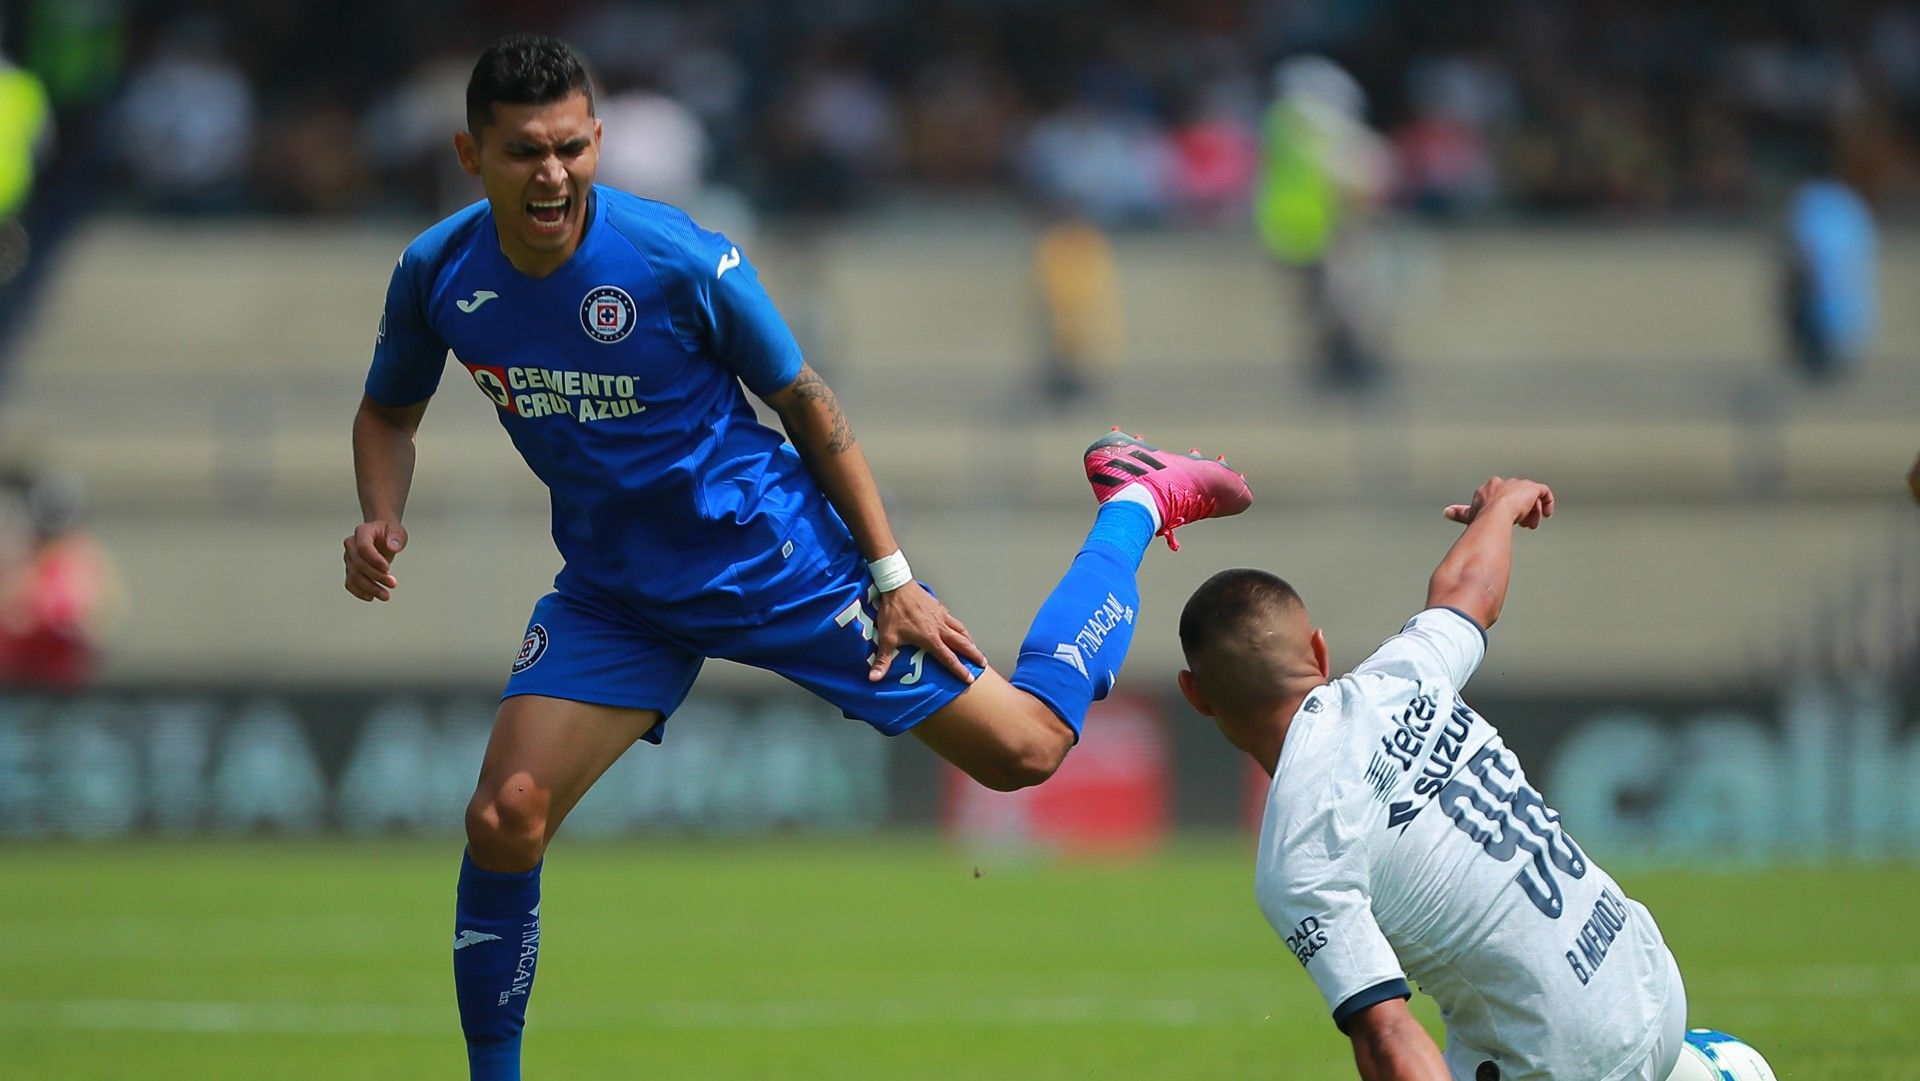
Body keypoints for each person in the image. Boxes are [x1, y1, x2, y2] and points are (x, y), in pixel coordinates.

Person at [342, 36, 1251, 1081]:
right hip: (617, 592)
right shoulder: (439, 273)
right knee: (505, 815)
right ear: (472, 152)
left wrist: (893, 578)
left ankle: (1135, 501)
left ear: (596, 141)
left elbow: (810, 406)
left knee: (1027, 751)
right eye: (521, 152)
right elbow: (386, 412)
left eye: (569, 147)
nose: (550, 174)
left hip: (777, 561)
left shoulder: (677, 258)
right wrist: (380, 515)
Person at [1177, 477, 1695, 1081]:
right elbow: (1469, 591)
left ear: (1196, 697)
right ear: (1319, 653)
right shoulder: (1403, 673)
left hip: (1569, 1060)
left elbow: (1389, 1034)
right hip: (1649, 978)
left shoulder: (1300, 851)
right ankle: (1709, 1068)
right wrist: (1501, 508)